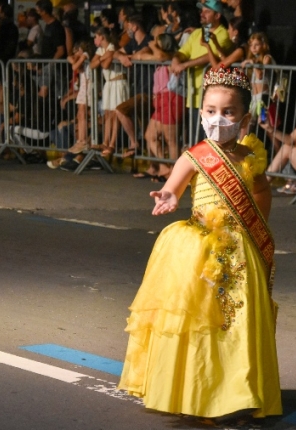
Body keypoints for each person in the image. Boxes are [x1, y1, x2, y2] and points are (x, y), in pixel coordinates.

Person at [118, 66, 282, 422]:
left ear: (244, 118)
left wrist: (256, 228)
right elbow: (173, 187)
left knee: (237, 324)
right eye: (210, 111)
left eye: (228, 112)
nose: (217, 118)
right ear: (200, 113)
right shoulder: (194, 156)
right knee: (202, 323)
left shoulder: (250, 158)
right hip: (198, 250)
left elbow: (261, 192)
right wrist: (167, 195)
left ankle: (238, 392)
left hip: (238, 249)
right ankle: (201, 391)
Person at [172, 0, 233, 144]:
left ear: (217, 15)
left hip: (211, 96)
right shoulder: (197, 33)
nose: (202, 14)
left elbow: (210, 57)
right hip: (194, 96)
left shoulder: (222, 34)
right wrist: (176, 60)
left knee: (209, 140)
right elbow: (183, 52)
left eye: (207, 11)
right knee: (195, 140)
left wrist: (185, 65)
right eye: (202, 11)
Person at [135, 33, 185, 181]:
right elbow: (138, 56)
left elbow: (163, 57)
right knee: (150, 136)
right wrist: (147, 51)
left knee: (171, 139)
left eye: (156, 42)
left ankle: (174, 172)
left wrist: (153, 47)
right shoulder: (157, 58)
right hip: (160, 100)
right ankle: (164, 167)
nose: (152, 43)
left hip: (171, 98)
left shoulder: (171, 58)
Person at [113, 15, 154, 158]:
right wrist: (122, 57)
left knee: (121, 110)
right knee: (146, 128)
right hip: (137, 89)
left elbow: (144, 53)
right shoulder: (132, 43)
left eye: (128, 26)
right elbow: (116, 53)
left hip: (148, 89)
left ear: (135, 27)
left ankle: (134, 143)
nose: (127, 29)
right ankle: (151, 162)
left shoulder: (149, 40)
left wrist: (130, 57)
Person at [90, 27, 128, 157]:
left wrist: (102, 59)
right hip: (109, 83)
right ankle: (105, 142)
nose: (95, 39)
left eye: (96, 36)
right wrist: (101, 58)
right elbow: (92, 64)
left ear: (102, 37)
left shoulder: (112, 47)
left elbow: (105, 66)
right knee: (107, 114)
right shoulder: (101, 50)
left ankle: (112, 144)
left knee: (115, 114)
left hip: (118, 82)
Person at [241, 33, 275, 127]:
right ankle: (242, 141)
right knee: (248, 123)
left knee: (264, 123)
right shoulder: (253, 59)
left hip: (263, 98)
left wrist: (252, 64)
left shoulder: (266, 58)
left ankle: (277, 141)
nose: (253, 48)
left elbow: (260, 75)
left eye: (256, 45)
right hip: (254, 98)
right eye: (251, 45)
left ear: (263, 45)